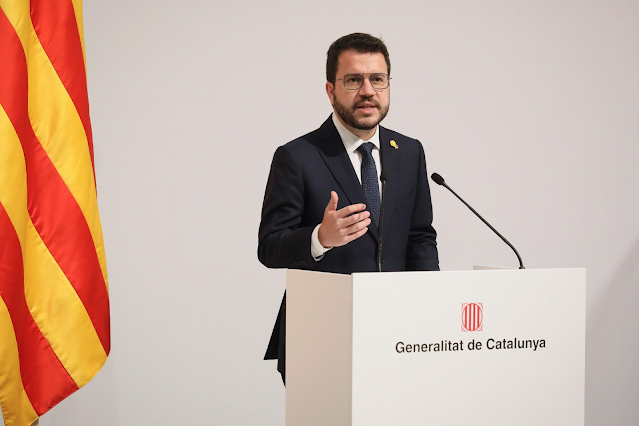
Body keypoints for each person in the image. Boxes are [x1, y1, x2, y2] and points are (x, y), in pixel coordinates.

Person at [258, 33, 439, 384]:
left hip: (399, 335)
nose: (368, 91)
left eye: (378, 79)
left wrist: (430, 306)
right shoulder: (297, 156)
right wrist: (319, 238)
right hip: (320, 336)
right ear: (331, 90)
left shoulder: (409, 151)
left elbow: (419, 237)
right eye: (354, 80)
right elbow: (269, 246)